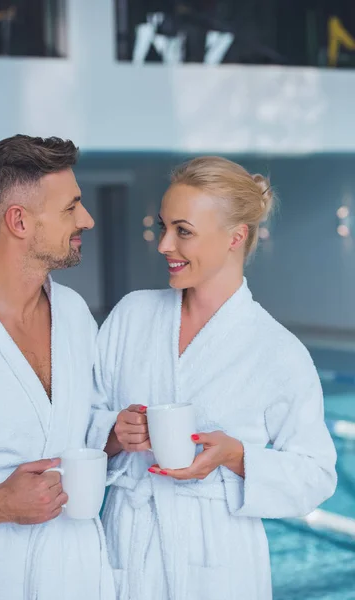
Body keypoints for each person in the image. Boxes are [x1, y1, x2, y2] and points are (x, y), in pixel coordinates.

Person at [88, 156, 337, 600]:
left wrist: (236, 456)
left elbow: (316, 476)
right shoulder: (131, 315)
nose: (164, 244)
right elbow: (79, 418)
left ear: (235, 237)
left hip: (218, 561)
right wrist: (112, 432)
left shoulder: (276, 351)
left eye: (183, 231)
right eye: (164, 226)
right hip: (126, 545)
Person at [0, 135, 115, 600]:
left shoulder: (73, 313)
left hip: (76, 576)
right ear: (19, 221)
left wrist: (115, 433)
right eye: (71, 208)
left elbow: (82, 426)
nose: (86, 219)